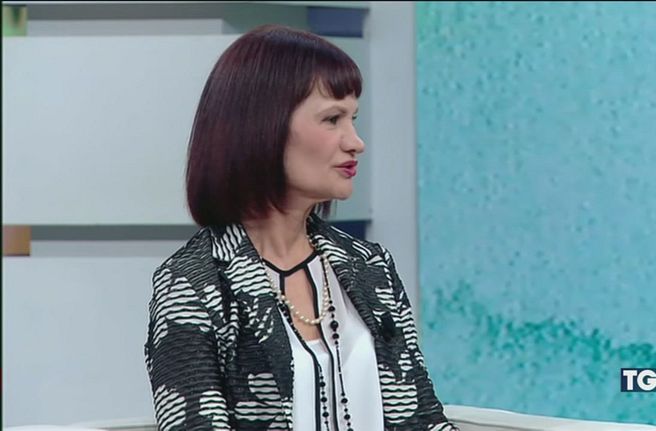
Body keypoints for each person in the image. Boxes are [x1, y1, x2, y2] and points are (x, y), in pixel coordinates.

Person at [143, 24, 458, 431]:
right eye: (332, 119)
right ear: (263, 127)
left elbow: (425, 420)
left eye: (353, 119)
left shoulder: (370, 266)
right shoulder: (192, 283)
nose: (355, 142)